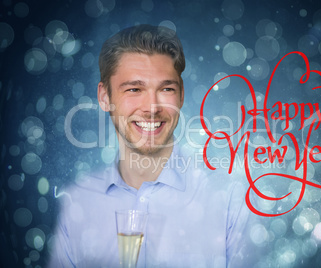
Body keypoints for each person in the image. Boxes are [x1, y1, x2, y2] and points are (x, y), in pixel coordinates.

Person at [48, 24, 256, 268]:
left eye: (166, 89)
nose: (152, 108)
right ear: (105, 97)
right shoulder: (77, 201)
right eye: (134, 89)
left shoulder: (230, 199)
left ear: (181, 96)